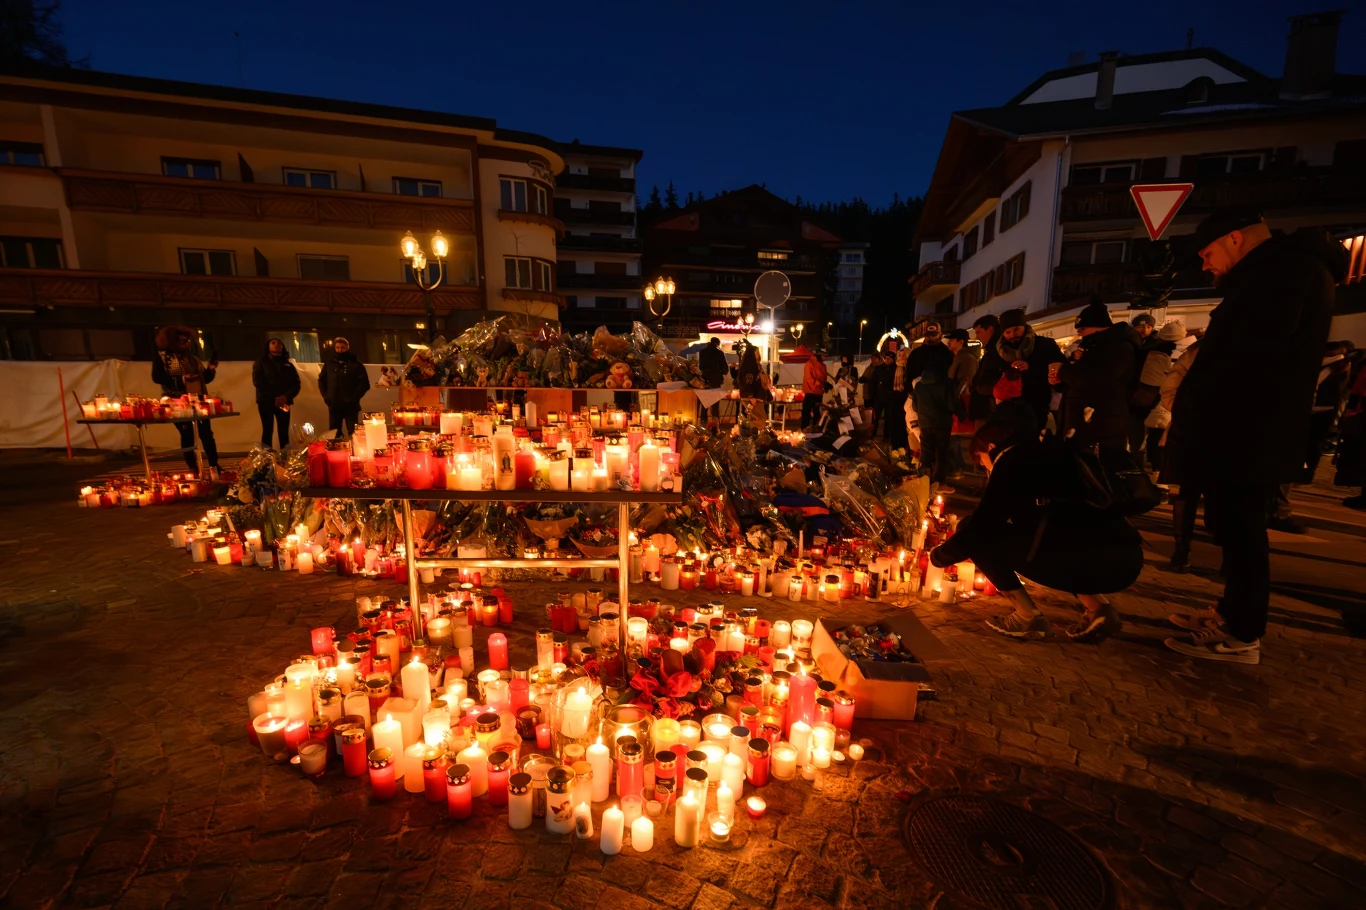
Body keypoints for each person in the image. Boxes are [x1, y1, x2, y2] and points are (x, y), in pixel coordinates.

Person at [1165, 208, 1346, 664]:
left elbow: (1248, 360)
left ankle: (1242, 634)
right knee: (1233, 529)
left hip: (1247, 433)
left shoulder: (1282, 275)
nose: (1205, 265)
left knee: (1243, 532)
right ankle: (1230, 613)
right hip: (1246, 430)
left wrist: (1203, 410)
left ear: (1235, 239)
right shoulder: (1278, 272)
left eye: (1207, 253)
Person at [930, 408, 1143, 641]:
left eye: (981, 462)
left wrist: (940, 556)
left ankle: (1026, 616)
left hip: (1089, 562)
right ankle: (1099, 609)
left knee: (972, 532)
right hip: (1123, 558)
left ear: (990, 448)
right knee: (1060, 538)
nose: (986, 469)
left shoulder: (1012, 460)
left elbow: (981, 527)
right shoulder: (1049, 451)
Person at [1053, 301, 1140, 454]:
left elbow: (1097, 378)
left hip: (1103, 422)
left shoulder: (1118, 347)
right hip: (1087, 420)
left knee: (1098, 468)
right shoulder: (1094, 346)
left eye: (1082, 328)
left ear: (1098, 326)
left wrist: (1063, 371)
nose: (1079, 333)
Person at [152, 325, 221, 477]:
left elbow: (205, 379)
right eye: (181, 341)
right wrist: (182, 379)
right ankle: (193, 468)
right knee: (187, 435)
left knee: (206, 434)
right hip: (176, 401)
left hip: (198, 400)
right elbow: (157, 377)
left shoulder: (192, 357)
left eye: (187, 340)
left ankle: (214, 465)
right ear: (172, 342)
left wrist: (210, 368)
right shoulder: (163, 357)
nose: (186, 343)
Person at [1159, 337, 1202, 572]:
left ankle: (1182, 552)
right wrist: (1184, 409)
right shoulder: (1200, 350)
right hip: (1192, 429)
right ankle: (1181, 550)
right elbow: (1170, 387)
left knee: (1191, 492)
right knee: (1187, 492)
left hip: (1204, 431)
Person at [993, 309, 1064, 430]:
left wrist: (1029, 367)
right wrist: (1009, 371)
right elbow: (993, 375)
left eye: (1016, 329)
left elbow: (1060, 371)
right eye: (1007, 332)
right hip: (1007, 405)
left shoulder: (1045, 344)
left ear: (1024, 326)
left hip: (1037, 403)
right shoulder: (999, 351)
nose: (1012, 335)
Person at [1132, 320, 1185, 469]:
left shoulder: (1156, 354)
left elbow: (1150, 383)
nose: (1145, 329)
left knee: (1151, 440)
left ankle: (1147, 474)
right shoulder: (1191, 352)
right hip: (1177, 404)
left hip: (1156, 403)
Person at [912, 363, 958, 490]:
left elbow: (915, 406)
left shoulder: (919, 386)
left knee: (926, 454)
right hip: (942, 423)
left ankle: (924, 484)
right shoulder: (947, 384)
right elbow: (952, 404)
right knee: (941, 453)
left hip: (925, 423)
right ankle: (940, 482)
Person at [252, 338, 301, 450]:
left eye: (279, 343)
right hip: (266, 401)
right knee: (267, 429)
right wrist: (274, 397)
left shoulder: (288, 365)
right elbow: (258, 382)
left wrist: (286, 397)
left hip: (284, 401)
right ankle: (266, 457)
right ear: (268, 347)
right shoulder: (261, 363)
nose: (277, 345)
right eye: (273, 343)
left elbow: (296, 384)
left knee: (284, 430)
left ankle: (285, 456)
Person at [318, 337, 371, 439]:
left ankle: (356, 451)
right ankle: (336, 453)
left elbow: (364, 384)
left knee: (353, 432)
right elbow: (322, 380)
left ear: (348, 347)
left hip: (351, 405)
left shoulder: (356, 365)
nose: (340, 350)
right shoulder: (329, 364)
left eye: (342, 347)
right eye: (337, 347)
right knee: (334, 432)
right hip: (334, 404)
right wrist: (326, 396)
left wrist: (354, 398)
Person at [970, 314, 1004, 421]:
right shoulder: (992, 349)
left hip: (991, 407)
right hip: (988, 405)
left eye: (979, 332)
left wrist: (977, 385)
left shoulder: (999, 349)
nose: (977, 337)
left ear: (990, 329)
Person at [800, 349, 828, 429]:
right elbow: (808, 378)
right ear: (819, 355)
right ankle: (804, 430)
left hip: (818, 393)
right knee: (806, 413)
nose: (825, 358)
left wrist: (825, 385)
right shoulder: (809, 364)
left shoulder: (823, 366)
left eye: (826, 356)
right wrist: (820, 383)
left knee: (817, 413)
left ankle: (817, 430)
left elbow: (824, 378)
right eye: (824, 356)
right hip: (810, 392)